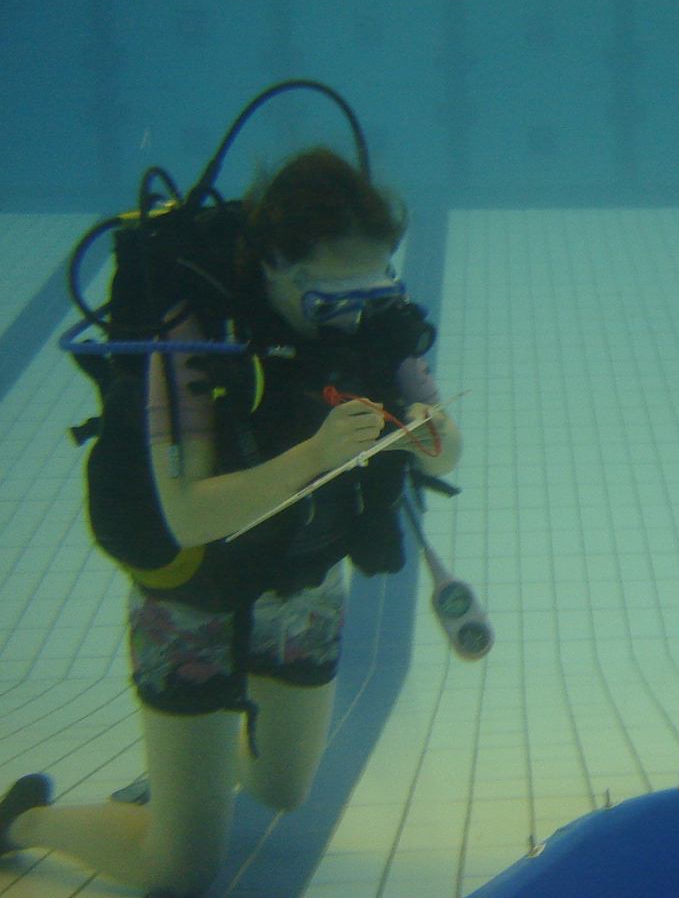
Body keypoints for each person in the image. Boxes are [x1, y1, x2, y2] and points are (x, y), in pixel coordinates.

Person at [0, 147, 460, 896]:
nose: (351, 314)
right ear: (275, 265)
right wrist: (314, 454)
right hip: (193, 590)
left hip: (300, 580)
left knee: (282, 792)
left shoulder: (376, 321)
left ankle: (190, 772)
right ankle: (24, 822)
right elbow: (186, 518)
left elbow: (443, 453)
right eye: (328, 298)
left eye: (370, 289)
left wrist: (424, 430)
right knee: (178, 873)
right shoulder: (188, 336)